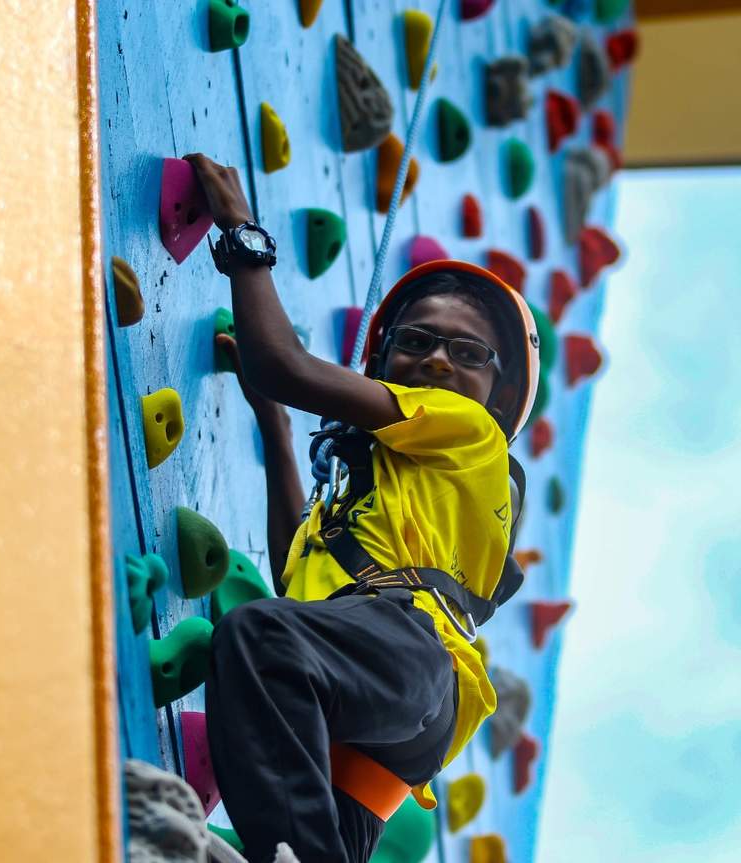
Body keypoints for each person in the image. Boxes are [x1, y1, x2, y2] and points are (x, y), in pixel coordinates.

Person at [186, 153, 539, 863]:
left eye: (467, 352)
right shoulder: (383, 489)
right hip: (381, 725)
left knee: (258, 639)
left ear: (499, 395)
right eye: (416, 341)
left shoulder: (470, 431)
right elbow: (295, 573)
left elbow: (282, 365)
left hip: (409, 652)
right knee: (303, 846)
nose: (439, 360)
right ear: (384, 358)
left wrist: (240, 232)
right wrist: (277, 432)